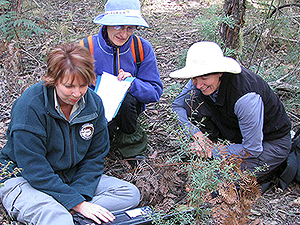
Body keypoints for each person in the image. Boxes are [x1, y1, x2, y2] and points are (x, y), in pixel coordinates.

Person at [0, 43, 140, 225]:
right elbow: (33, 167)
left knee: (129, 194)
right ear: (53, 79)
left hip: (70, 176)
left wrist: (78, 198)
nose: (77, 93)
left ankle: (71, 215)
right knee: (57, 218)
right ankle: (64, 214)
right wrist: (77, 203)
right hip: (23, 178)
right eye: (69, 86)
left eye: (83, 85)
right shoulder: (30, 106)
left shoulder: (93, 103)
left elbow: (95, 156)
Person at [170, 41, 292, 183]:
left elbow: (252, 149)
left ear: (220, 72)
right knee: (192, 100)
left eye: (204, 78)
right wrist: (196, 134)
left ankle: (270, 168)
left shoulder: (245, 97)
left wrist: (212, 151)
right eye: (194, 78)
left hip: (269, 143)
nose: (198, 85)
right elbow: (177, 107)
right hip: (237, 133)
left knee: (215, 180)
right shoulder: (200, 79)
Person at [82, 0, 163, 160]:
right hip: (95, 109)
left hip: (128, 110)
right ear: (107, 24)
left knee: (126, 101)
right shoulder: (87, 47)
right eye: (118, 26)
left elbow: (155, 92)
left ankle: (130, 145)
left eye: (130, 28)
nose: (124, 34)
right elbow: (68, 86)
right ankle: (98, 143)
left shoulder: (141, 48)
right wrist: (90, 84)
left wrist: (132, 83)